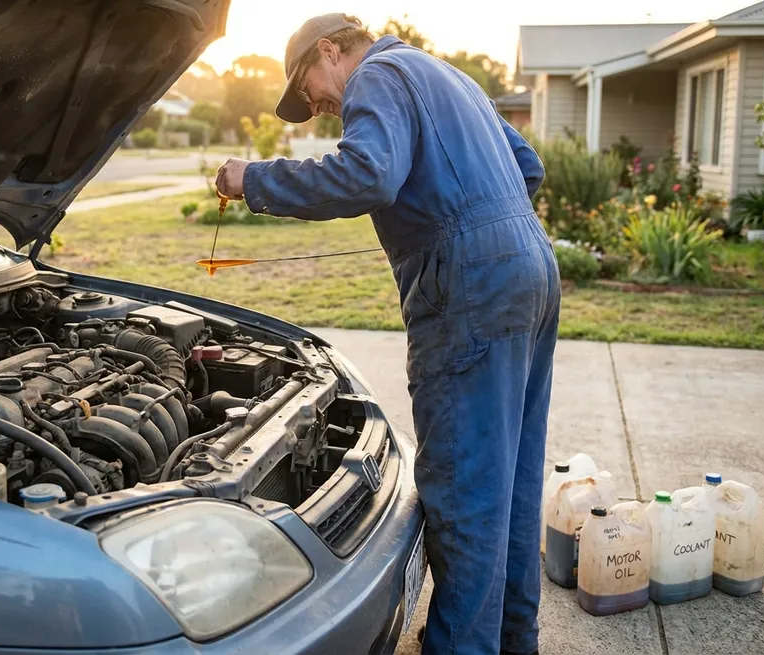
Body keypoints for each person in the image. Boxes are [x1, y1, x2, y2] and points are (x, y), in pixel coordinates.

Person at [214, 13, 559, 655]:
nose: (315, 106)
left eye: (309, 87)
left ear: (331, 50)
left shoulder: (375, 75)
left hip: (472, 288)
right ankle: (515, 640)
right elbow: (526, 166)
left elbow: (368, 175)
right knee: (509, 476)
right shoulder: (446, 74)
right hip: (531, 270)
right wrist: (478, 228)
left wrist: (250, 179)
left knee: (464, 487)